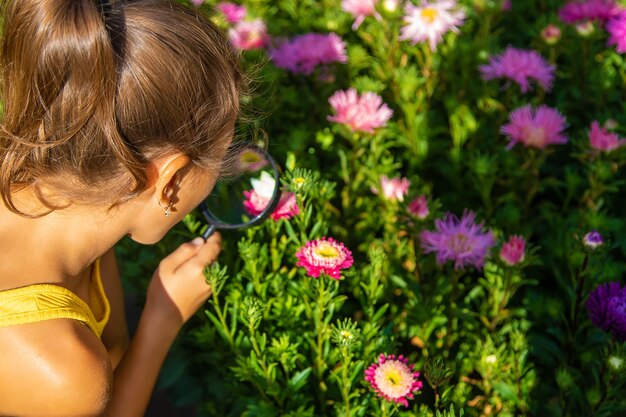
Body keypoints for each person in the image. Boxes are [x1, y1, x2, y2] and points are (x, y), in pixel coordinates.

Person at [0, 0, 243, 415]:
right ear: (170, 181)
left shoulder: (69, 201)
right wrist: (161, 321)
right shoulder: (61, 371)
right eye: (221, 163)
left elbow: (110, 352)